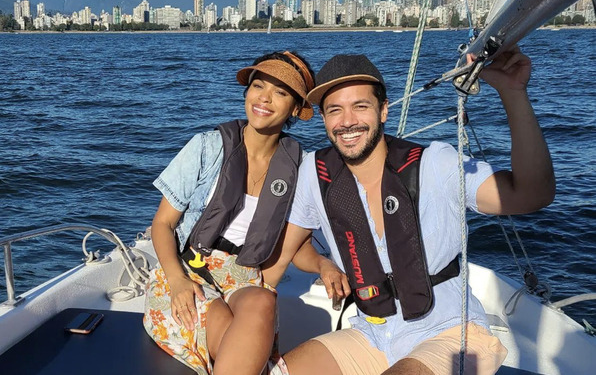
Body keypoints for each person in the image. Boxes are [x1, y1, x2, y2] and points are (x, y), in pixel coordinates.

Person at [275, 47, 555, 375]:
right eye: (335, 110)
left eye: (360, 106)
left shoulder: (434, 164)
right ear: (323, 119)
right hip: (374, 334)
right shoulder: (314, 173)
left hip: (452, 334)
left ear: (383, 111)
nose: (347, 121)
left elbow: (530, 194)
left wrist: (513, 92)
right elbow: (283, 253)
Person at [143, 51, 327, 375]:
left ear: (296, 108)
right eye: (258, 86)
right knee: (233, 334)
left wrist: (325, 265)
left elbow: (297, 246)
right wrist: (176, 280)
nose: (264, 99)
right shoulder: (206, 147)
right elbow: (162, 224)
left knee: (263, 301)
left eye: (281, 92)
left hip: (246, 277)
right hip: (190, 270)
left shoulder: (300, 168)